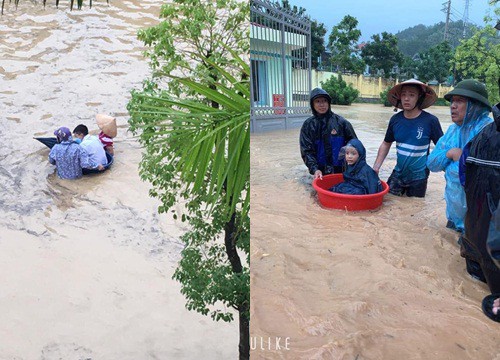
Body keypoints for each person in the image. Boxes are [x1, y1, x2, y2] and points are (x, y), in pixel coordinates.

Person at [427, 79, 493, 233]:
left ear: (475, 106)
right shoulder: (452, 131)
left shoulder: (489, 132)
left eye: (459, 101)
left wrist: (462, 158)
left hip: (479, 221)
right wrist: (450, 153)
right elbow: (431, 163)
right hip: (454, 215)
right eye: (452, 101)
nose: (452, 106)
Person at [460, 98, 500, 322]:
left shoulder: (482, 132)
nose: (454, 106)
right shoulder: (482, 134)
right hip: (479, 249)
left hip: (477, 247)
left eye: (460, 101)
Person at [373, 79, 443, 197]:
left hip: (419, 176)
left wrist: (450, 171)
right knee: (388, 201)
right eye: (403, 94)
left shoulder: (431, 121)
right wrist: (376, 167)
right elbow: (386, 143)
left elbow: (442, 147)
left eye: (411, 95)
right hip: (398, 173)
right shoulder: (395, 120)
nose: (406, 98)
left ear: (419, 98)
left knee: (415, 208)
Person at [300, 88, 357, 180]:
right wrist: (315, 169)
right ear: (312, 104)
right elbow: (307, 151)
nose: (322, 104)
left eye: (324, 101)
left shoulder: (342, 122)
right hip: (320, 171)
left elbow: (355, 146)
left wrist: (353, 166)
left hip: (341, 169)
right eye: (318, 101)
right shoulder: (308, 125)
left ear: (329, 103)